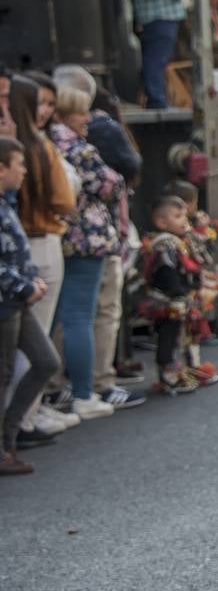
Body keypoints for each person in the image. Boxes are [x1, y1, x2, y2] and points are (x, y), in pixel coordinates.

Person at [53, 65, 144, 406]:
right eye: (80, 112)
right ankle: (90, 388)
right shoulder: (73, 144)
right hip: (87, 238)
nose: (87, 118)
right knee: (89, 314)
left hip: (67, 236)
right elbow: (113, 180)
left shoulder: (48, 140)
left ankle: (62, 385)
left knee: (68, 315)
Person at [8, 74, 76, 440]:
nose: (46, 111)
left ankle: (21, 418)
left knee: (22, 343)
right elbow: (64, 200)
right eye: (42, 103)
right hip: (41, 241)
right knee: (33, 342)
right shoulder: (37, 147)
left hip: (26, 243)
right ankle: (23, 419)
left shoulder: (22, 147)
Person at [0, 137, 63, 474]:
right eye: (18, 164)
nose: (24, 170)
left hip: (17, 301)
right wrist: (25, 286)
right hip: (7, 304)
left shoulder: (6, 202)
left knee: (45, 361)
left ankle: (8, 437)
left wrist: (29, 283)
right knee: (4, 373)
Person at [136, 193, 217, 393]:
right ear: (161, 222)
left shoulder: (181, 240)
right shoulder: (164, 244)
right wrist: (178, 293)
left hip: (185, 300)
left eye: (185, 215)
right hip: (169, 302)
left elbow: (200, 259)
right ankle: (169, 375)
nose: (185, 221)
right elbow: (166, 273)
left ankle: (192, 368)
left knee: (191, 335)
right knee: (169, 337)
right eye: (178, 216)